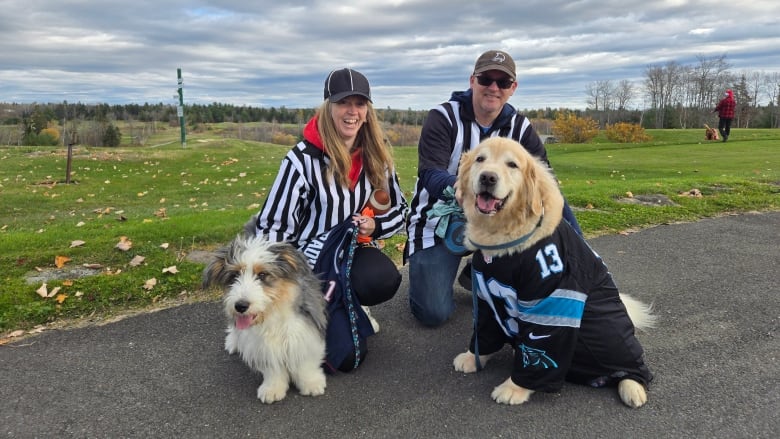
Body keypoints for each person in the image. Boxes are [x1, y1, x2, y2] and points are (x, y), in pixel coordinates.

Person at [405, 49, 583, 327]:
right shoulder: (443, 117)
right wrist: (460, 187)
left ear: (513, 88)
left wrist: (577, 249)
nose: (493, 87)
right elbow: (429, 172)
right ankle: (474, 269)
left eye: (502, 82)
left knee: (554, 204)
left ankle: (583, 271)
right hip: (441, 219)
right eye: (486, 78)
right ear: (472, 80)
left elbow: (545, 178)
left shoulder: (520, 127)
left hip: (499, 221)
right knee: (433, 313)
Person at [254, 68, 408, 369]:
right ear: (328, 107)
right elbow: (271, 228)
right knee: (325, 356)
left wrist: (376, 226)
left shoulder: (378, 155)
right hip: (304, 263)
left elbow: (402, 212)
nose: (352, 112)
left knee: (383, 280)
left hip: (349, 253)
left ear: (368, 110)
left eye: (360, 103)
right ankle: (303, 314)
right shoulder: (301, 160)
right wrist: (282, 285)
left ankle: (348, 304)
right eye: (343, 103)